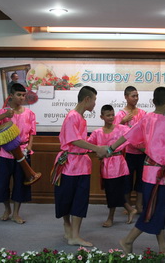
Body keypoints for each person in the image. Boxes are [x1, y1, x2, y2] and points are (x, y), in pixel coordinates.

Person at [110, 87, 165, 255]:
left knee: (158, 209)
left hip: (149, 171)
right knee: (152, 211)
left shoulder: (146, 119)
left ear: (153, 102)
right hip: (159, 175)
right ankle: (127, 240)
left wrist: (111, 148)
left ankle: (163, 246)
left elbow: (128, 135)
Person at [51, 85, 108, 247]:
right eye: (94, 100)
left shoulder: (81, 118)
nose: (95, 104)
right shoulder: (72, 116)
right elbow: (73, 141)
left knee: (79, 201)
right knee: (66, 199)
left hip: (81, 165)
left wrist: (97, 148)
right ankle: (68, 228)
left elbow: (80, 143)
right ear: (87, 99)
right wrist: (97, 148)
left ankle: (74, 234)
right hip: (69, 165)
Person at [0, 83, 37, 224]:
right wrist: (5, 114)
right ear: (11, 96)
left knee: (20, 184)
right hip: (5, 154)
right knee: (2, 184)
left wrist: (29, 148)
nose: (22, 97)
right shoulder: (3, 112)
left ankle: (16, 213)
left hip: (22, 153)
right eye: (19, 95)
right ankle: (7, 209)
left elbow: (32, 134)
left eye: (23, 95)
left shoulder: (29, 113)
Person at [88, 105, 137, 227]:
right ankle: (130, 209)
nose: (111, 117)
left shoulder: (122, 129)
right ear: (102, 117)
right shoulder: (97, 132)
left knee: (115, 191)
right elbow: (89, 145)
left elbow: (134, 135)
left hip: (119, 164)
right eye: (108, 115)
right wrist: (98, 152)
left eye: (112, 114)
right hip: (106, 165)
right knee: (111, 191)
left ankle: (111, 217)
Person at [113, 86, 146, 213]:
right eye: (133, 96)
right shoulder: (121, 114)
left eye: (137, 95)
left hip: (142, 152)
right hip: (127, 153)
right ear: (126, 97)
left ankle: (139, 205)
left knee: (141, 180)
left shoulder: (143, 113)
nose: (136, 98)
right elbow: (115, 132)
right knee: (127, 180)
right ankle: (127, 206)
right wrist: (122, 121)